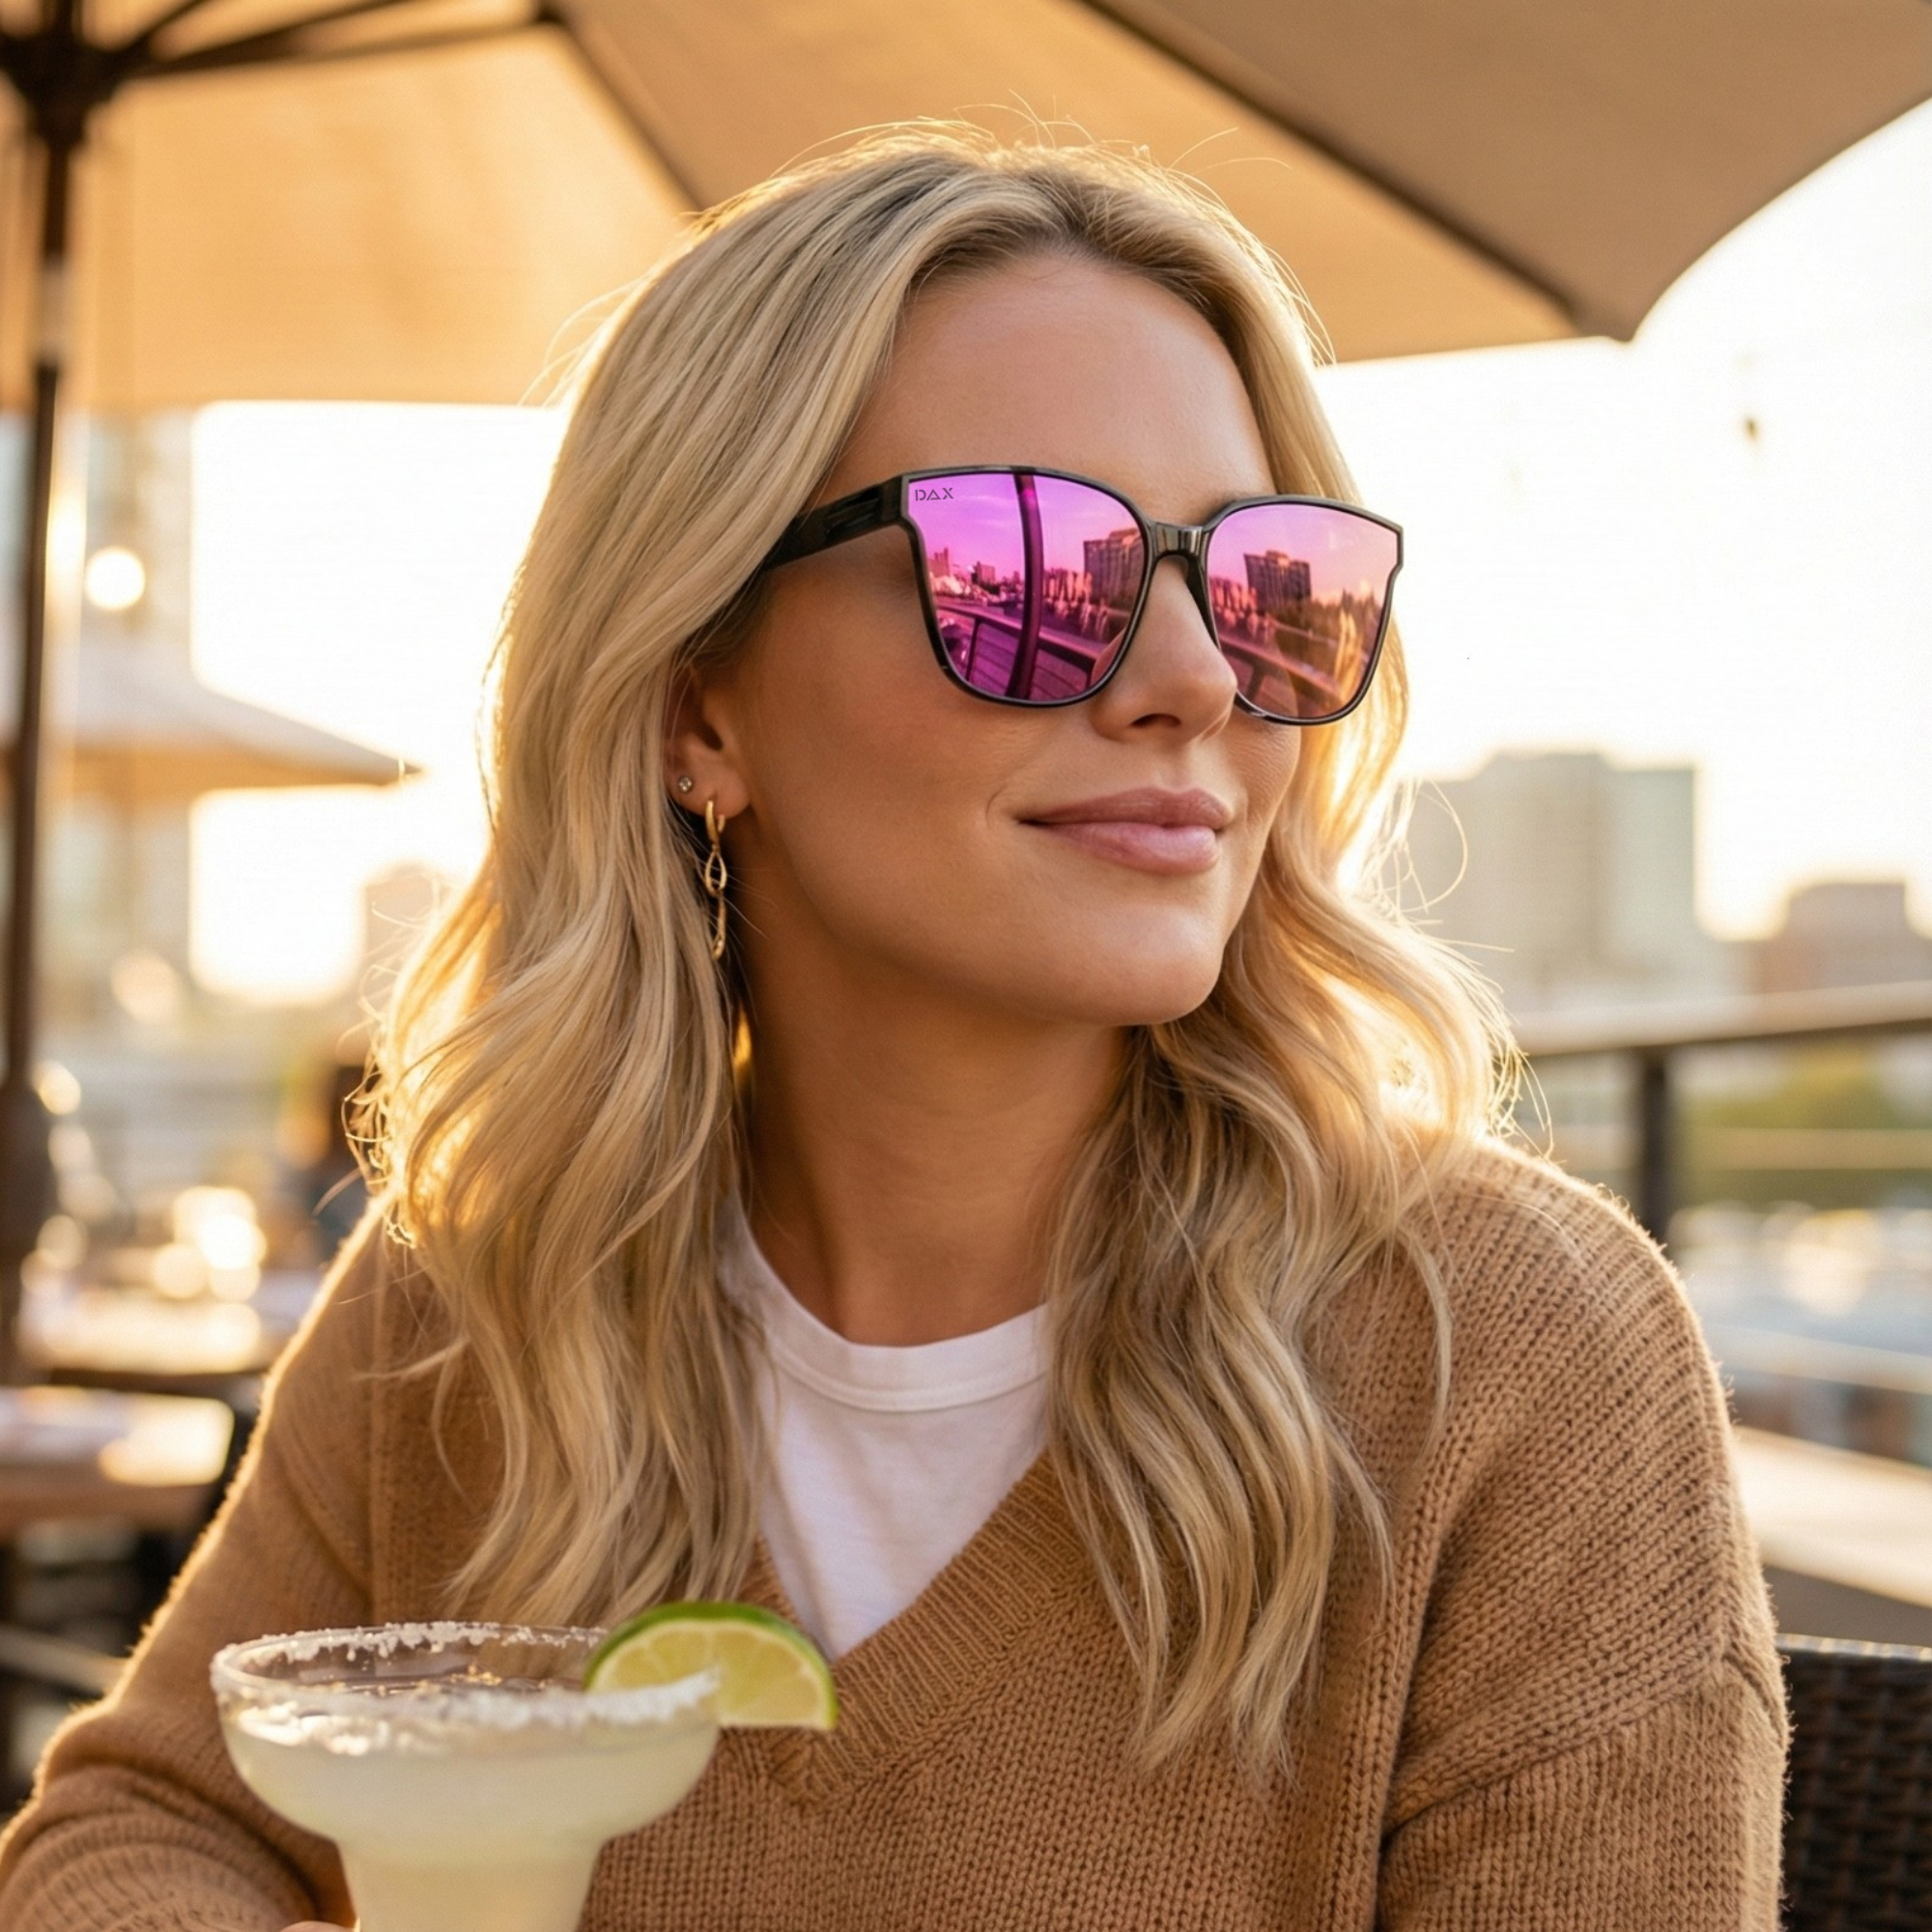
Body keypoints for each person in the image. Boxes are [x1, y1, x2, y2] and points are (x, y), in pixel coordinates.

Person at [0, 123, 1787, 1928]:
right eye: (1028, 570)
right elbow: (139, 1829)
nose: (1189, 686)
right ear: (699, 705)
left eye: (1264, 588)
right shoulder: (484, 1301)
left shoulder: (1514, 1362)